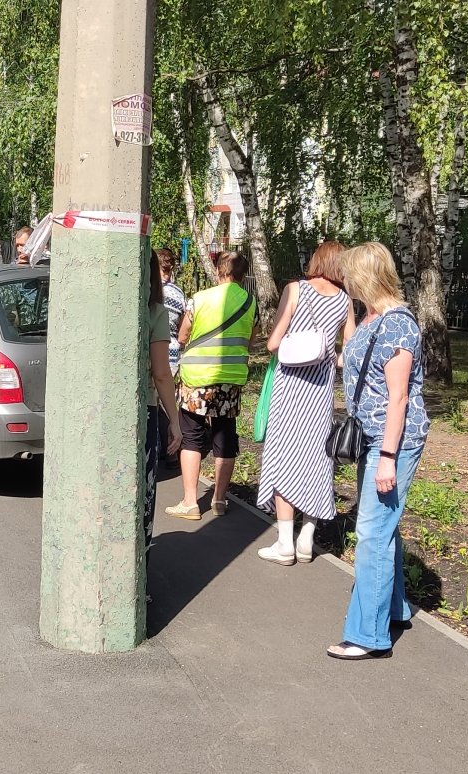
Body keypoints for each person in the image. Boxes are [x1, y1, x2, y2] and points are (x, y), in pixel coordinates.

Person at [330, 241, 429, 660]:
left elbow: (399, 398)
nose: (345, 279)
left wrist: (387, 457)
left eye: (350, 273)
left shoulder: (399, 325)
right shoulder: (372, 317)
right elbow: (353, 358)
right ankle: (394, 608)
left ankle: (368, 637)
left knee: (372, 532)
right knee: (383, 525)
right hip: (370, 436)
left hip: (394, 441)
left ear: (367, 275)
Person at [255, 241, 355, 565]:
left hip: (289, 390)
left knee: (284, 456)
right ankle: (307, 539)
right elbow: (349, 353)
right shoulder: (345, 300)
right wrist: (326, 355)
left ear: (316, 260)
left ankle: (284, 542)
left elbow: (272, 343)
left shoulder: (295, 290)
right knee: (316, 460)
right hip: (321, 392)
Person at [165, 251, 257, 520]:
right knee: (224, 437)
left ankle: (190, 502)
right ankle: (219, 499)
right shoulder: (250, 302)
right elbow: (251, 342)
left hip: (196, 380)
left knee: (192, 438)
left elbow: (182, 336)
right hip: (230, 380)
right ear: (242, 274)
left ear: (219, 271)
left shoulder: (200, 299)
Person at [144, 261, 184, 548]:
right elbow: (160, 373)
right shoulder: (155, 312)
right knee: (142, 492)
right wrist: (174, 420)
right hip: (143, 408)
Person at [155, 248, 187, 463]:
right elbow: (185, 328)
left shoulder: (151, 292)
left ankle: (165, 448)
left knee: (155, 403)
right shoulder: (178, 293)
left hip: (155, 352)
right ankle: (172, 450)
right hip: (173, 352)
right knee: (168, 402)